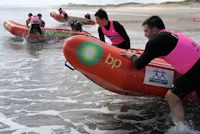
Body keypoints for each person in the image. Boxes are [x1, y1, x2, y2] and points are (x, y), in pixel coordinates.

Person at [122, 15, 200, 125]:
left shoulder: (156, 41)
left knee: (172, 96)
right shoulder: (170, 34)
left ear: (154, 29)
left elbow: (139, 65)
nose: (145, 35)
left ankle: (181, 129)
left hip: (195, 70)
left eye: (146, 31)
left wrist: (130, 55)